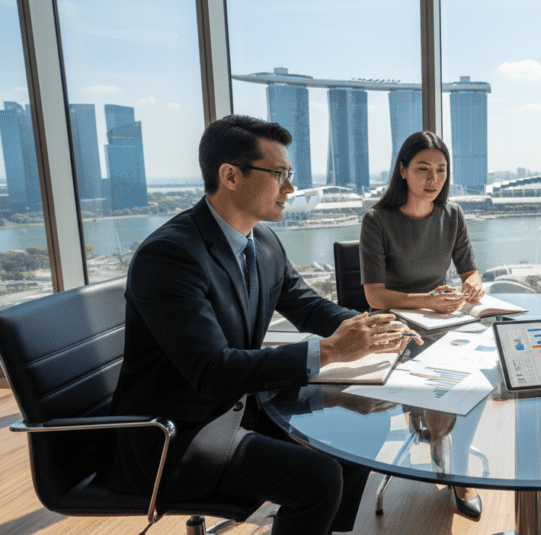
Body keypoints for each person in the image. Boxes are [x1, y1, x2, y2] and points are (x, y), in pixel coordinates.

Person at [105, 115, 420, 535]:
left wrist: (377, 327)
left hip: (244, 406)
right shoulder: (170, 256)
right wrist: (328, 352)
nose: (290, 188)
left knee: (362, 425)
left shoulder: (263, 241)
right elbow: (211, 372)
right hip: (178, 436)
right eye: (279, 175)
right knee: (317, 476)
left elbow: (307, 306)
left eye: (289, 175)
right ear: (230, 176)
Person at [358, 130, 485, 517]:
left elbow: (471, 270)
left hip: (443, 320)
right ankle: (454, 469)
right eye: (423, 169)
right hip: (397, 327)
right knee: (445, 380)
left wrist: (472, 286)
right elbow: (375, 296)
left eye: (441, 170)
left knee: (478, 375)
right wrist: (426, 301)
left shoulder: (453, 215)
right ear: (402, 171)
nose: (433, 180)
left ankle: (450, 454)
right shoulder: (377, 220)